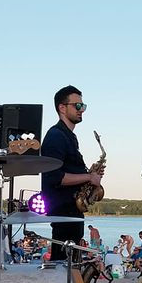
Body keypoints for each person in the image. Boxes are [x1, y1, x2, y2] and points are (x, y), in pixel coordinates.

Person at [40, 86, 104, 261]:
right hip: (63, 212)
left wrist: (90, 174)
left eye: (83, 106)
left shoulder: (69, 136)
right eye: (77, 106)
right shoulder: (56, 136)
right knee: (63, 267)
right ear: (62, 108)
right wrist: (90, 177)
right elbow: (55, 177)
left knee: (70, 265)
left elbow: (69, 170)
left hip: (71, 212)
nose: (81, 110)